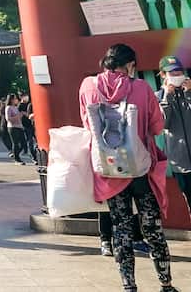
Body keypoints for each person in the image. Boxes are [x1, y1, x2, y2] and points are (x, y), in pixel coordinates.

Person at [80, 43, 177, 292]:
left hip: (109, 169)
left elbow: (87, 124)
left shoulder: (88, 86)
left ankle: (129, 286)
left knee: (121, 226)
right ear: (130, 64)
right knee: (151, 226)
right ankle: (165, 284)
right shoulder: (142, 88)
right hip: (139, 168)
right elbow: (157, 127)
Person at [159, 56, 191, 212]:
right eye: (172, 72)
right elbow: (163, 124)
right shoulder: (158, 97)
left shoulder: (189, 92)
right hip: (180, 163)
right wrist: (168, 96)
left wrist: (190, 94)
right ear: (163, 75)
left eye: (179, 71)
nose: (177, 75)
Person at [6, 95, 28, 164]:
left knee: (23, 143)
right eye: (15, 99)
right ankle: (17, 159)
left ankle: (15, 154)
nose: (16, 100)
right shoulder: (8, 108)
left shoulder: (15, 107)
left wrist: (22, 115)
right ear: (11, 100)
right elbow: (8, 119)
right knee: (15, 143)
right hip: (13, 127)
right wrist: (18, 116)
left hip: (19, 126)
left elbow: (19, 117)